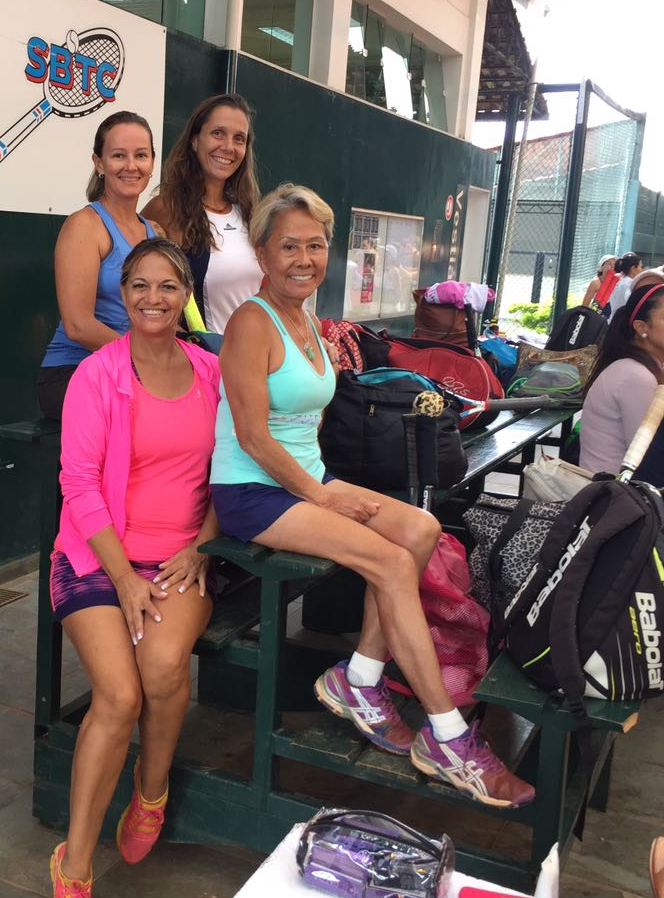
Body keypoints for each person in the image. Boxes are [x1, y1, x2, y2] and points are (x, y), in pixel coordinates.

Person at [211, 183, 534, 809]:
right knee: (389, 561)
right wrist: (323, 497)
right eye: (288, 246)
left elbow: (305, 426)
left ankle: (359, 676)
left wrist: (326, 488)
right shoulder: (251, 322)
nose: (304, 259)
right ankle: (448, 737)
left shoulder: (307, 320)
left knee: (421, 529)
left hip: (306, 480)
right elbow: (251, 436)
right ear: (262, 252)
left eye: (315, 245)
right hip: (253, 489)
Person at [46, 237, 221, 898]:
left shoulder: (212, 372)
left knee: (164, 668)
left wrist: (203, 544)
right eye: (139, 285)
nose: (153, 297)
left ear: (185, 295)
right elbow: (78, 482)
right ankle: (73, 872)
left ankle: (151, 791)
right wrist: (122, 577)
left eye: (167, 285)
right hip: (97, 557)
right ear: (123, 294)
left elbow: (235, 470)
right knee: (116, 697)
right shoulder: (97, 375)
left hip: (181, 555)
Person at [36, 111, 159, 420]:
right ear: (99, 163)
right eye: (118, 155)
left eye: (140, 155)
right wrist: (147, 359)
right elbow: (78, 325)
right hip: (75, 370)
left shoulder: (156, 233)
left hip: (136, 369)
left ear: (152, 163)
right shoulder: (85, 225)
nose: (131, 165)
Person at [143, 94, 261, 332]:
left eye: (239, 138)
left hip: (253, 352)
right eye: (218, 133)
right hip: (198, 353)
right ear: (195, 140)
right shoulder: (166, 209)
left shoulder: (252, 213)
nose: (228, 147)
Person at [580, 280, 664, 478]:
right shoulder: (636, 376)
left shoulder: (641, 368)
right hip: (613, 492)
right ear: (641, 327)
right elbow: (649, 454)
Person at [606, 251, 644, 319]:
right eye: (641, 267)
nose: (642, 270)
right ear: (633, 269)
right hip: (622, 322)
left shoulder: (618, 281)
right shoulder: (630, 285)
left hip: (613, 319)